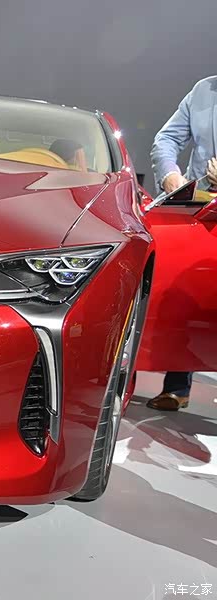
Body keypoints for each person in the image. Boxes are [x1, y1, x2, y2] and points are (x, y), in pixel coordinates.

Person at [147, 76, 217, 411]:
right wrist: (171, 177)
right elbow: (166, 139)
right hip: (201, 212)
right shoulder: (204, 89)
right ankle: (176, 385)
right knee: (184, 292)